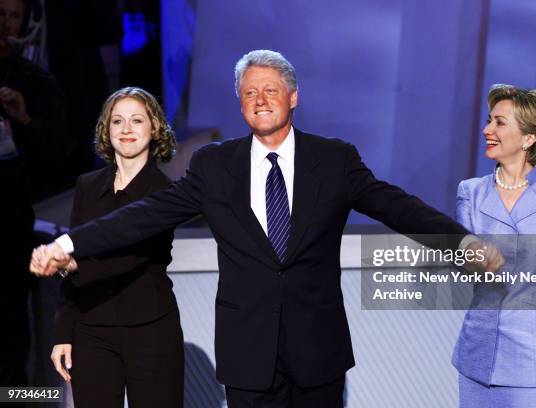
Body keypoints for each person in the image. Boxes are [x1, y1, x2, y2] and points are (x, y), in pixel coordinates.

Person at [31, 50, 503, 408]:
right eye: (249, 93)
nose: (260, 100)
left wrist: (460, 243)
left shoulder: (333, 160)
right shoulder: (215, 166)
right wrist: (71, 241)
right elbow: (144, 214)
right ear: (240, 104)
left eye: (270, 90)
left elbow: (396, 207)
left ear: (292, 97)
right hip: (247, 351)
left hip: (317, 349)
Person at [34, 87, 183, 408]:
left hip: (150, 331)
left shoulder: (165, 192)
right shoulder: (88, 186)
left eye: (136, 121)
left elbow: (132, 256)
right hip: (91, 331)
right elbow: (73, 268)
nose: (126, 129)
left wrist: (69, 263)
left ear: (154, 128)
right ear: (106, 129)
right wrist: (63, 332)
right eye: (117, 121)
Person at [452, 84, 536, 407]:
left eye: (499, 123)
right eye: (489, 121)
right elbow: (461, 262)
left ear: (529, 138)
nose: (487, 130)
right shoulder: (469, 192)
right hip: (479, 358)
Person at [0, 0, 69, 388]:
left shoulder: (34, 81)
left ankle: (19, 399)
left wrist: (24, 120)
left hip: (11, 224)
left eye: (11, 15)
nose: (5, 23)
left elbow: (63, 152)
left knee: (12, 327)